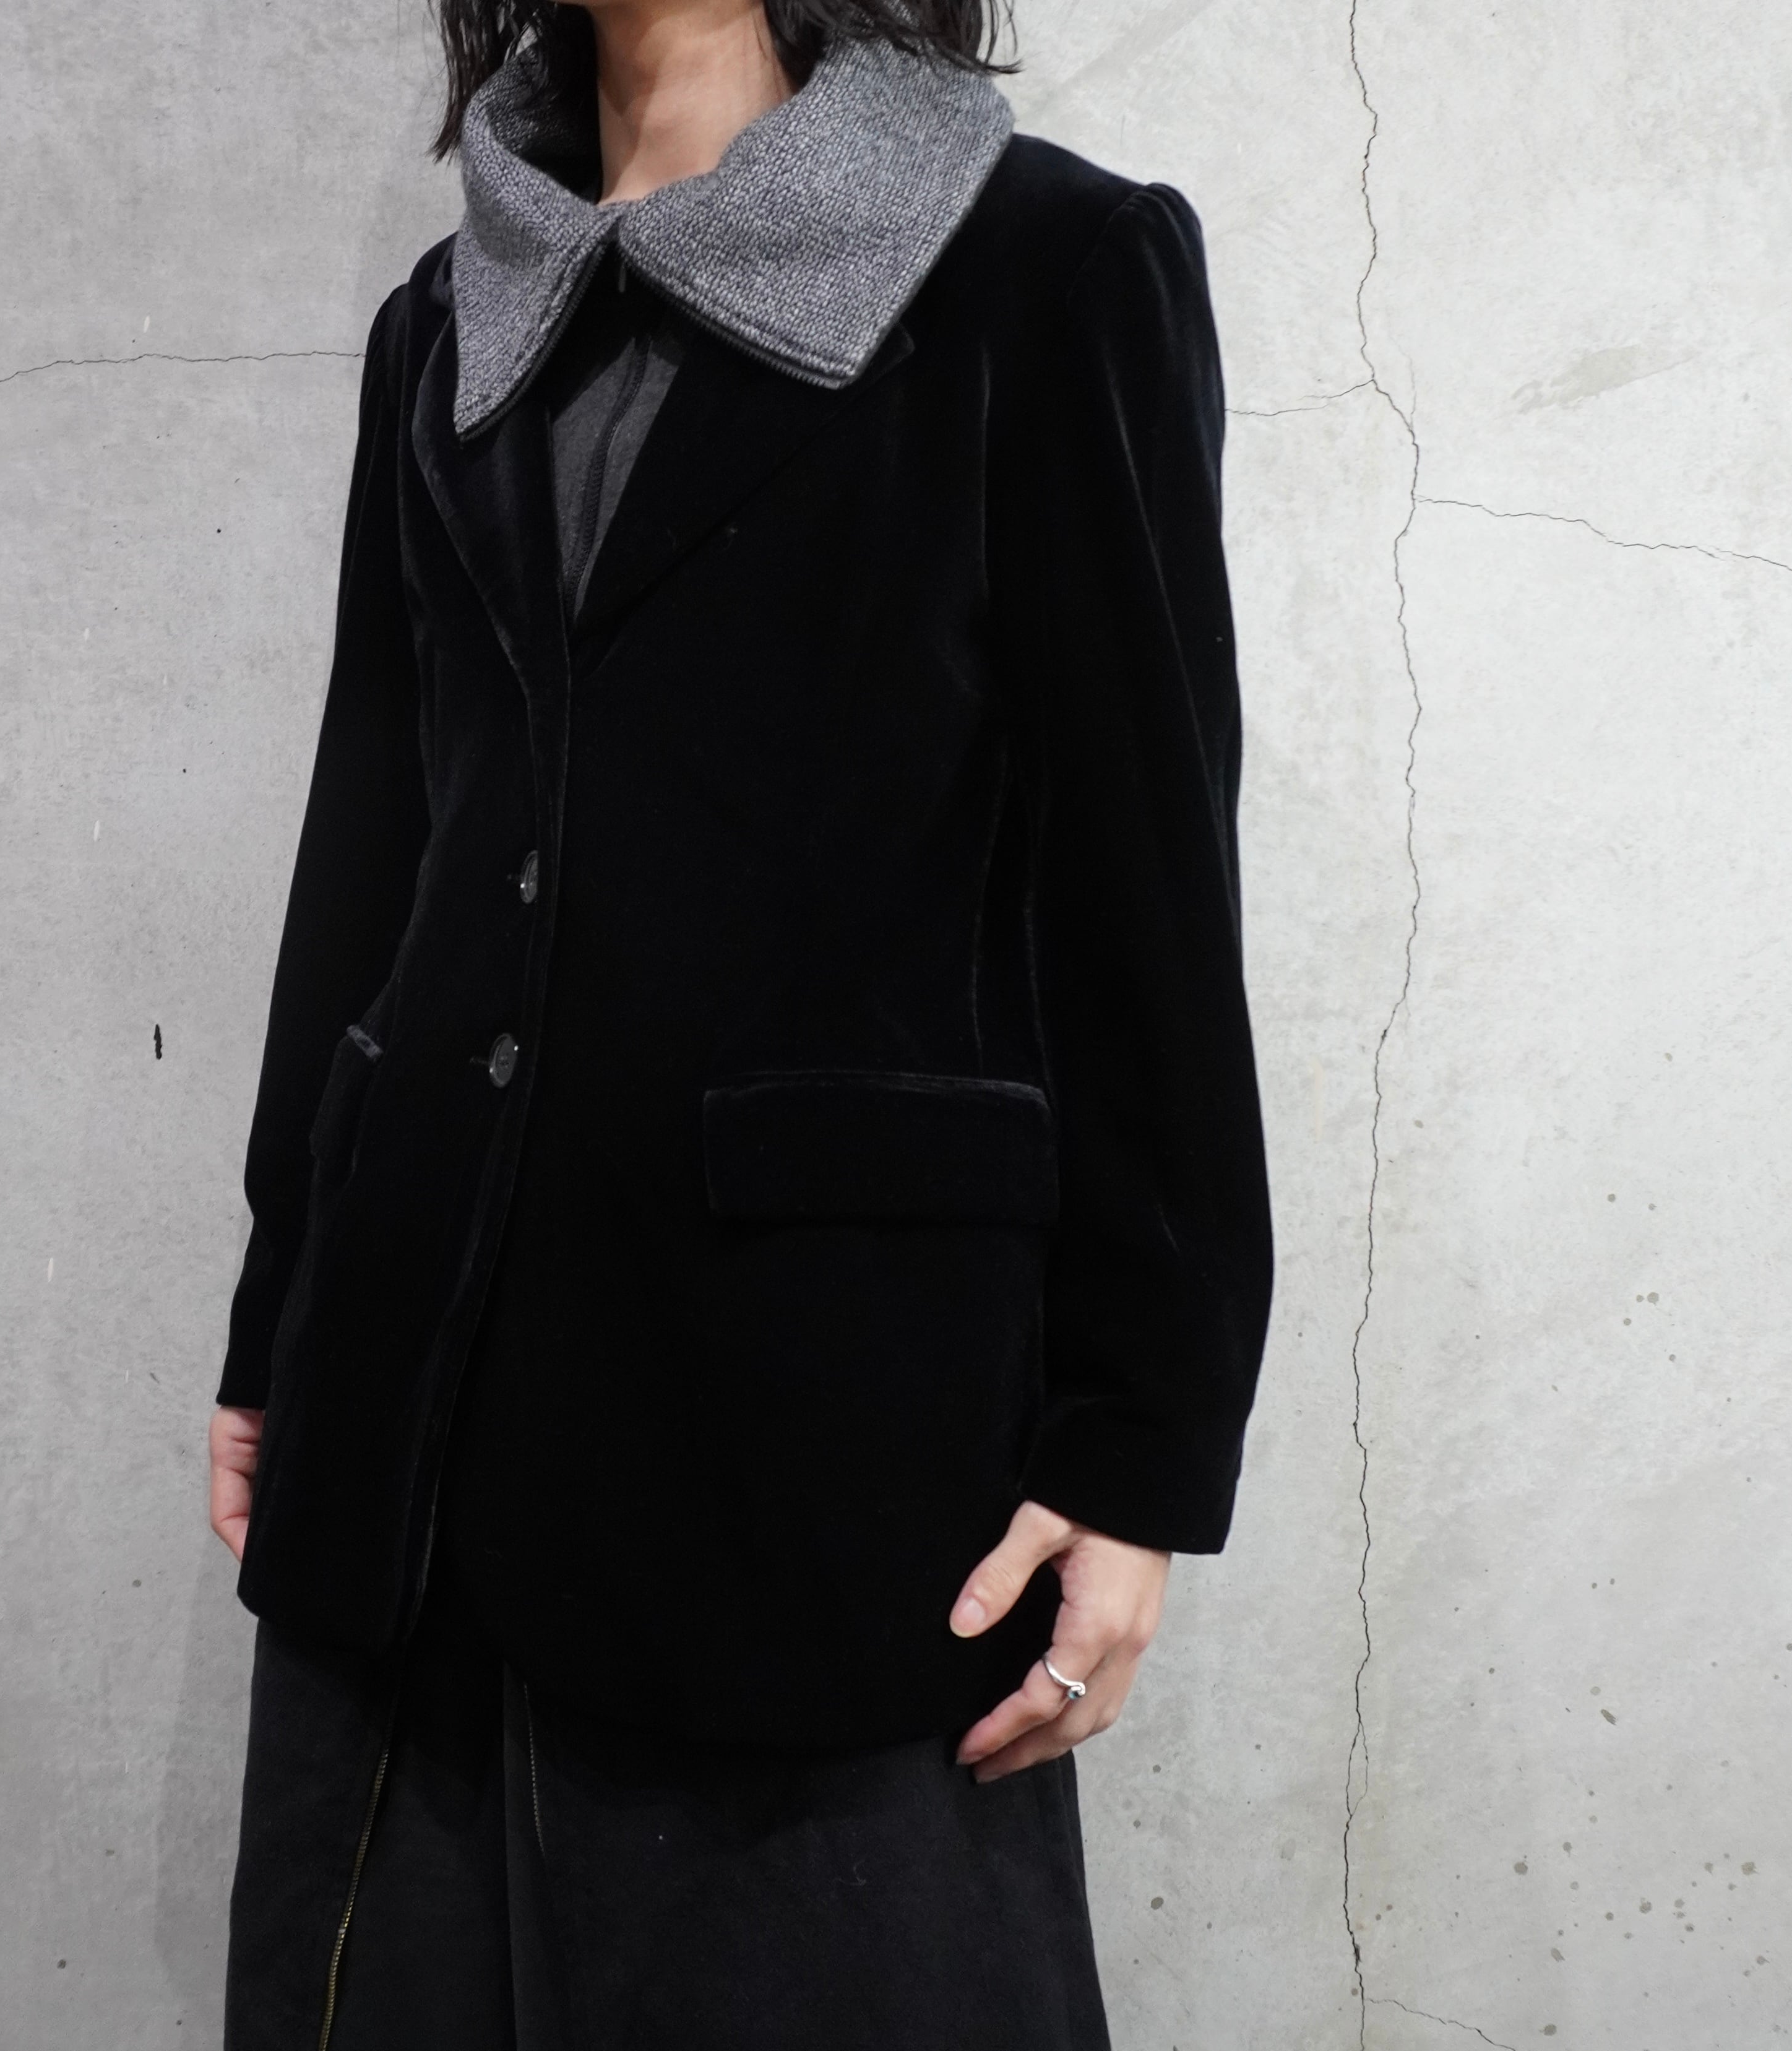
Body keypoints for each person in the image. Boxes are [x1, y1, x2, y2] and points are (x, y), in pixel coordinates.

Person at [207, 0, 1272, 2043]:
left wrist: (1143, 1445)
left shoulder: (1041, 270)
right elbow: (379, 844)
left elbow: (1143, 897)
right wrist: (284, 1314)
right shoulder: (451, 315)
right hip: (410, 1438)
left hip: (813, 1455)